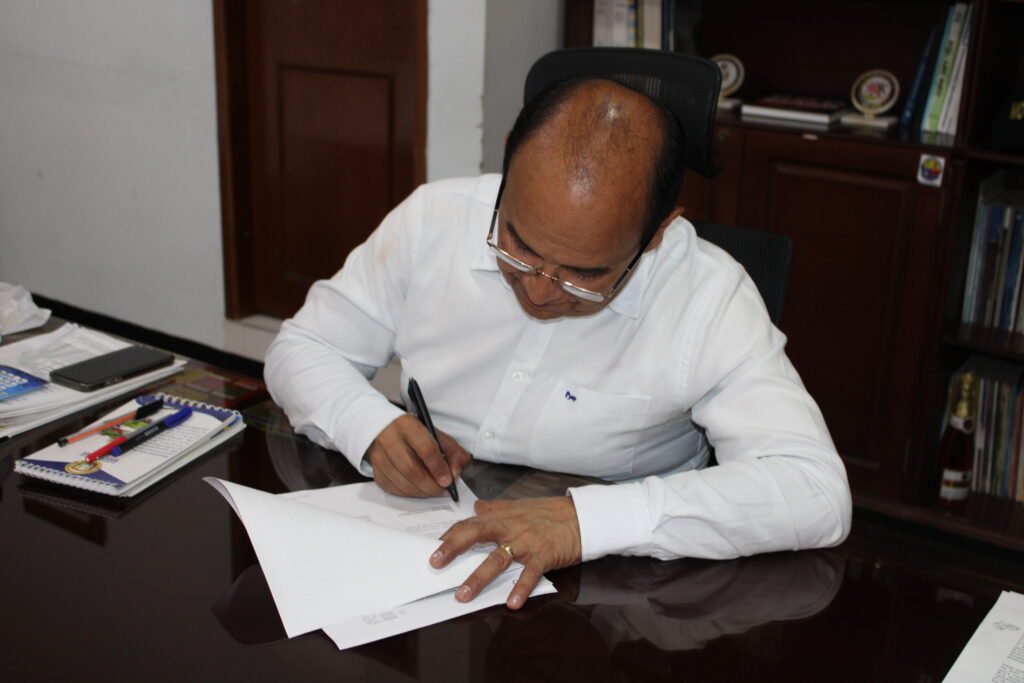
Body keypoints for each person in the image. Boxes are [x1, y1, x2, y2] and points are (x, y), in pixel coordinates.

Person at [264, 75, 852, 611]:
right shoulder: (433, 220)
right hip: (422, 541)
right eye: (516, 245)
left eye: (584, 275)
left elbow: (815, 492)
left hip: (612, 592)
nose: (541, 292)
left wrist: (585, 521)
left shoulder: (707, 295)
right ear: (507, 165)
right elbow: (302, 348)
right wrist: (369, 425)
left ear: (657, 234)